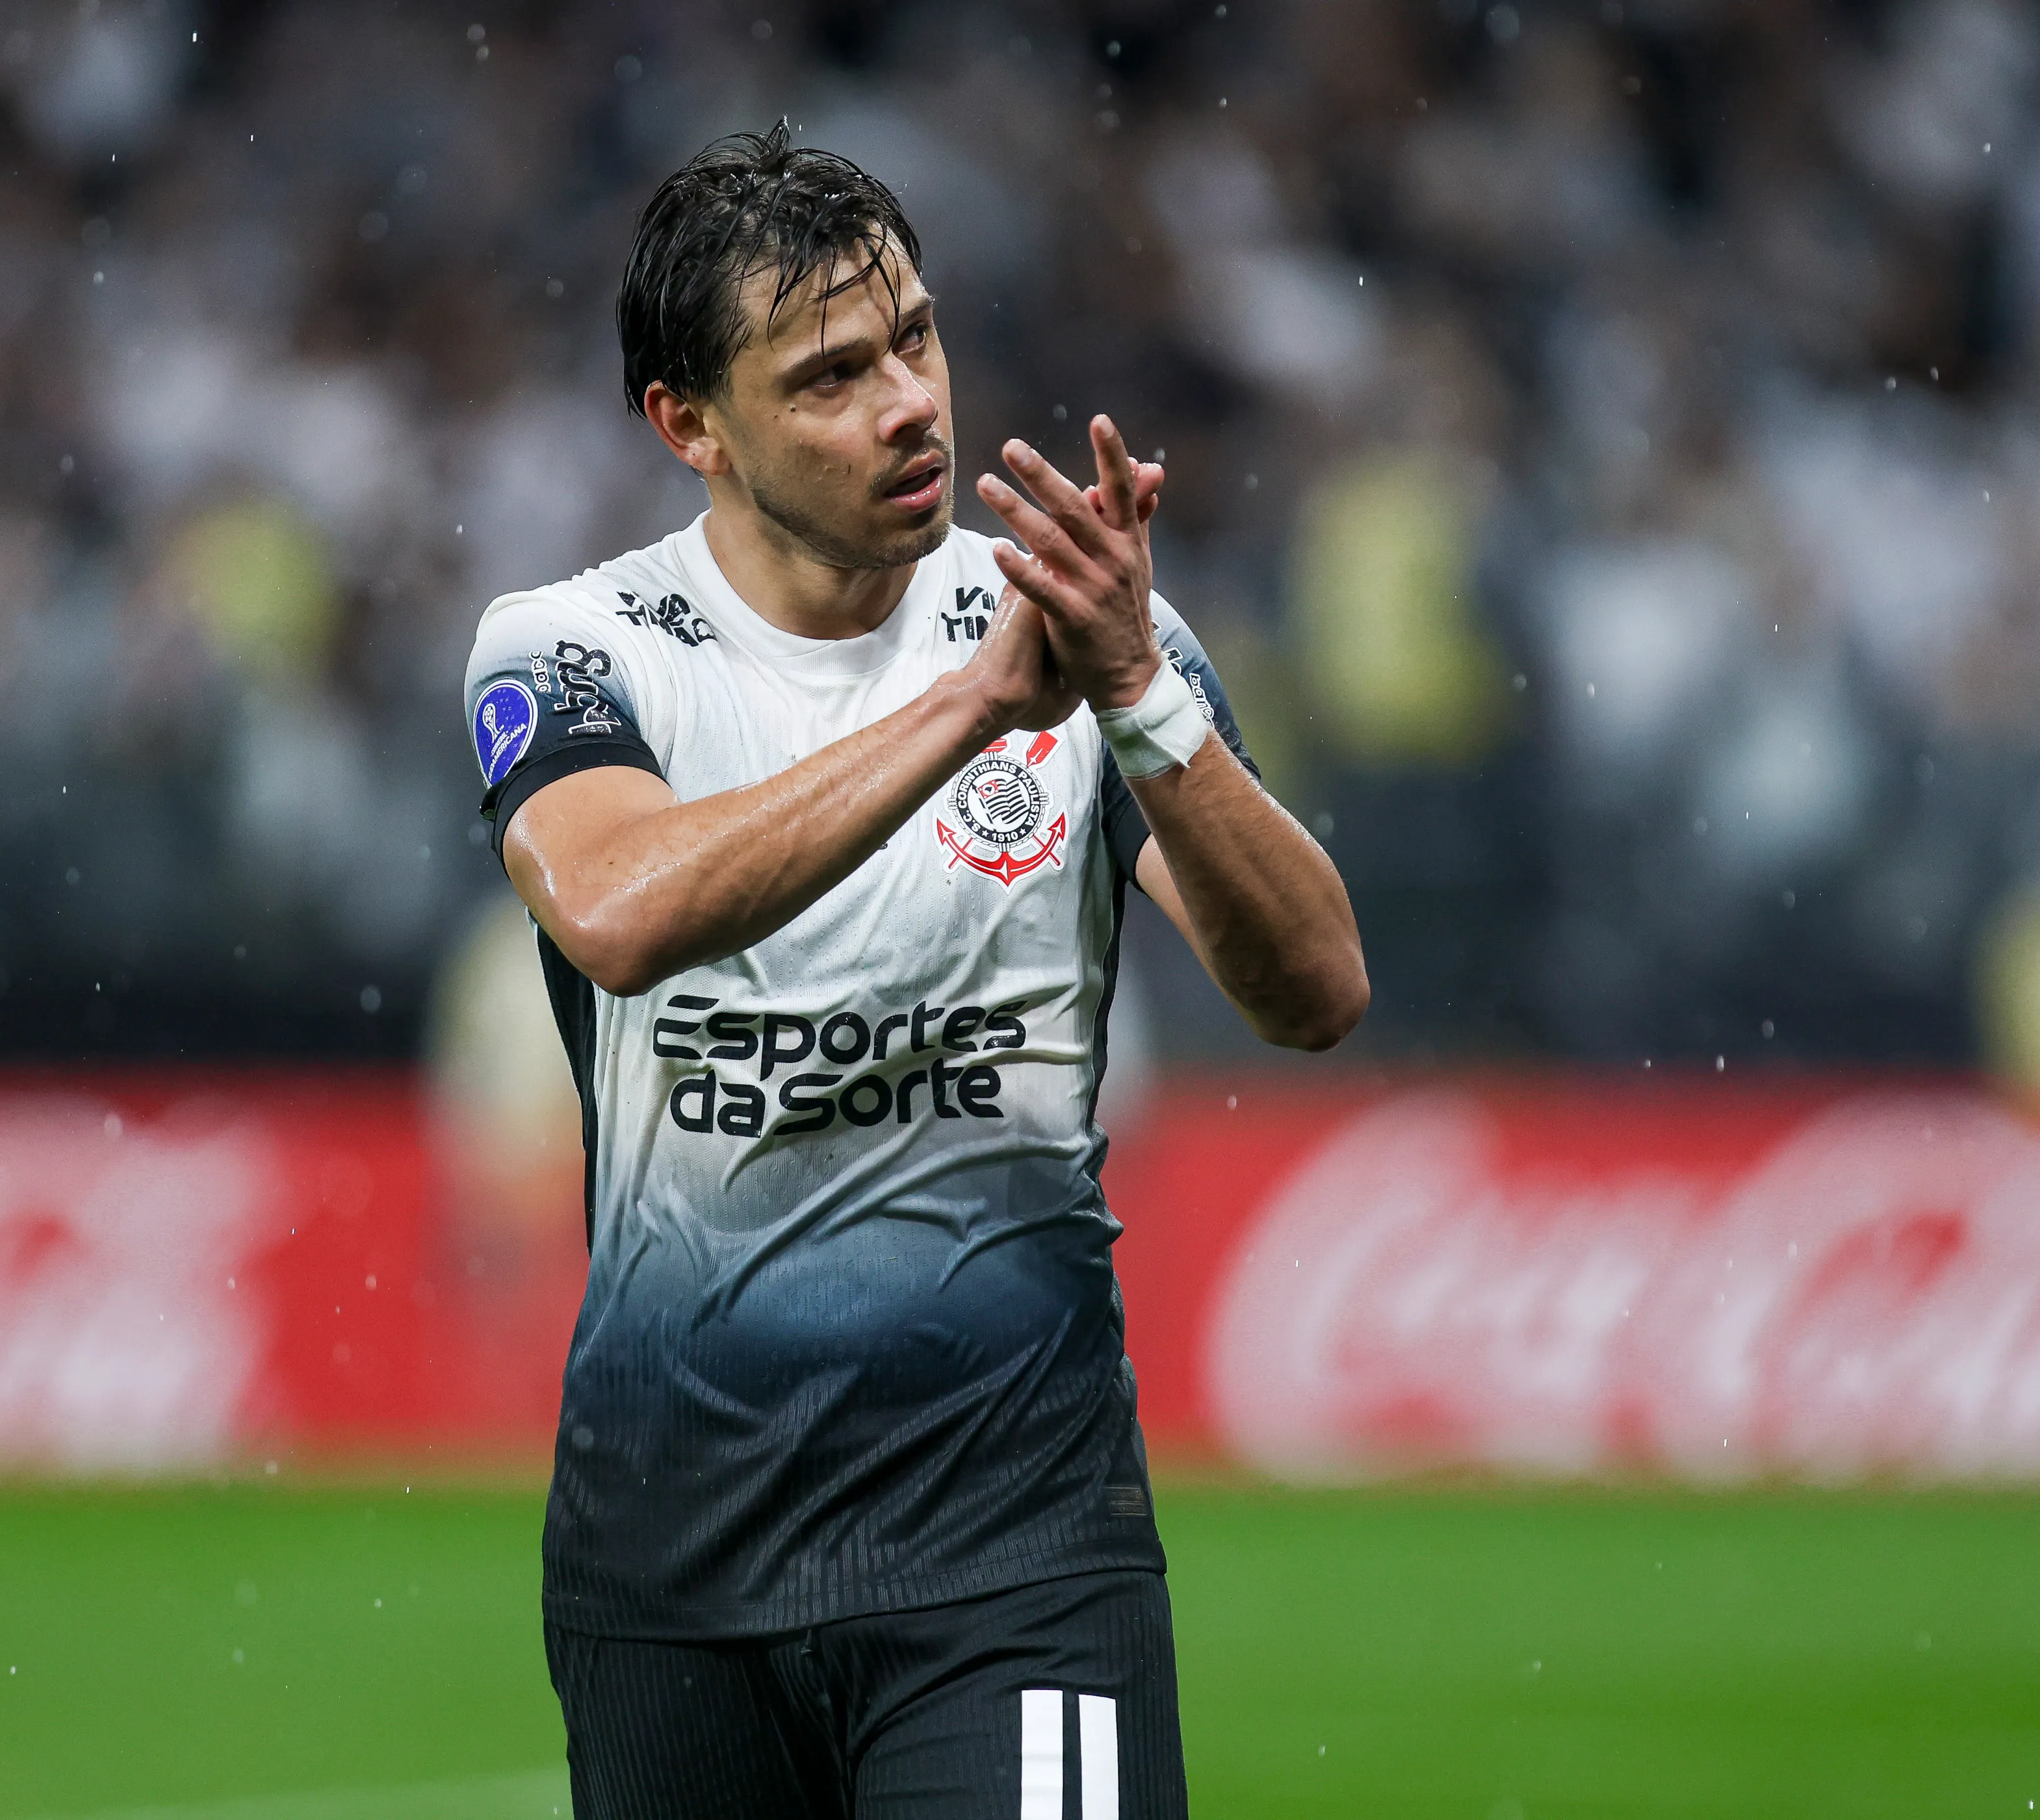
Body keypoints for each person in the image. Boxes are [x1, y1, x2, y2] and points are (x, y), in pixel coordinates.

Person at [461, 122, 1366, 1819]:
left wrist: (1145, 707)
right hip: (673, 1569)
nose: (907, 402)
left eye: (917, 340)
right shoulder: (573, 645)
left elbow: (1314, 987)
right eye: (826, 375)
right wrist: (969, 714)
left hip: (1014, 1551)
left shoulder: (1097, 633)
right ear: (690, 428)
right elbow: (619, 907)